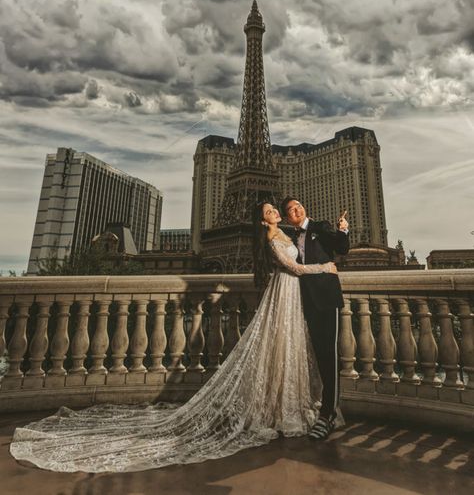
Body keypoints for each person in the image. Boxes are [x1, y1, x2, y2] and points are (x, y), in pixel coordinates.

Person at [10, 201, 338, 473]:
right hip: (285, 291)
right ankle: (276, 407)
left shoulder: (287, 232)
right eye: (270, 210)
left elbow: (309, 250)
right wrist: (324, 269)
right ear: (262, 219)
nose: (276, 212)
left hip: (292, 297)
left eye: (275, 209)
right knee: (278, 346)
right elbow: (293, 267)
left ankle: (284, 402)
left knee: (286, 346)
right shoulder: (271, 236)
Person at [280, 197, 350, 440]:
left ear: (304, 209)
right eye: (290, 210)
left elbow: (341, 248)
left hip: (327, 297)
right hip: (308, 300)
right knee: (319, 355)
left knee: (329, 355)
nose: (295, 210)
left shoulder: (320, 226)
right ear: (287, 218)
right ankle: (323, 406)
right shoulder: (290, 238)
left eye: (298, 206)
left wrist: (343, 230)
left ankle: (329, 413)